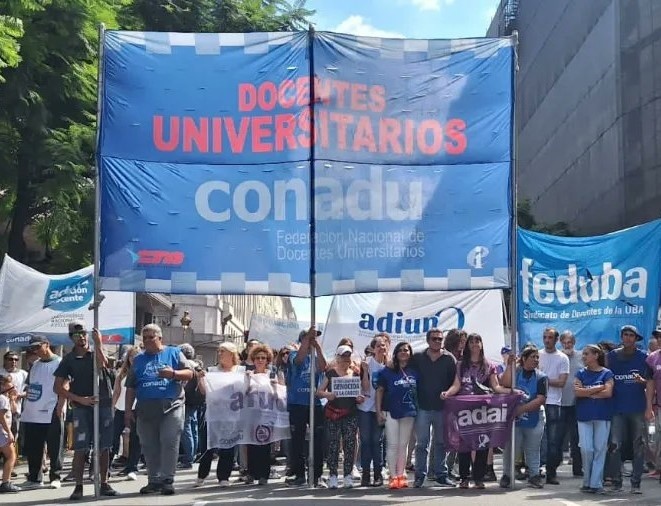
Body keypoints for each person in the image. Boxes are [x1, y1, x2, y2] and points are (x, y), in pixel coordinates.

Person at [125, 324, 193, 496]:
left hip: (172, 406)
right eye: (144, 337)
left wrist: (173, 374)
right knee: (149, 445)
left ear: (160, 338)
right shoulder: (138, 360)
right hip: (145, 409)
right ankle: (154, 480)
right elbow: (131, 387)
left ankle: (167, 480)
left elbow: (190, 373)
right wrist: (127, 411)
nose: (147, 340)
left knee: (169, 440)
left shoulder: (173, 352)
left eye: (151, 337)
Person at [54, 321, 117, 500]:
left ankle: (104, 482)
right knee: (81, 448)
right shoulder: (69, 359)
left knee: (104, 446)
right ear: (71, 338)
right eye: (76, 335)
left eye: (83, 334)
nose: (80, 337)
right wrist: (79, 399)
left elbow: (104, 364)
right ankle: (78, 486)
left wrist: (99, 343)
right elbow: (58, 386)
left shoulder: (95, 351)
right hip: (82, 407)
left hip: (103, 403)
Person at [445, 333, 511, 489]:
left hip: (483, 410)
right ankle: (463, 477)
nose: (475, 344)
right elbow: (456, 385)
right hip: (464, 409)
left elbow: (496, 387)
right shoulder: (461, 365)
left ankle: (479, 477)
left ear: (482, 344)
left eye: (478, 341)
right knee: (464, 444)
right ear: (467, 345)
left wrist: (512, 391)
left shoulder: (489, 366)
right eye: (472, 341)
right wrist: (447, 393)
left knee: (482, 443)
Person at [605, 324, 651, 494]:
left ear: (636, 338)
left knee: (639, 445)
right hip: (617, 408)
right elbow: (605, 378)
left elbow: (651, 383)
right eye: (625, 334)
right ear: (621, 337)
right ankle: (616, 482)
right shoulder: (611, 357)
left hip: (637, 408)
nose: (628, 338)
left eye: (632, 335)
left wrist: (643, 382)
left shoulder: (644, 357)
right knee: (615, 445)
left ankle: (636, 483)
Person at [411, 328, 457, 488]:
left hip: (442, 408)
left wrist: (449, 393)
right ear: (428, 340)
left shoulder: (449, 359)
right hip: (423, 407)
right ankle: (419, 475)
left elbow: (455, 382)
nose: (438, 341)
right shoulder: (417, 357)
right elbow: (405, 371)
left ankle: (441, 474)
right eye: (434, 339)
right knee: (422, 444)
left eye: (440, 339)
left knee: (441, 443)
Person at [195, 342, 244, 488]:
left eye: (223, 351)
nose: (220, 354)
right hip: (213, 415)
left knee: (228, 447)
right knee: (207, 446)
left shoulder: (241, 371)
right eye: (219, 351)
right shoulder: (211, 370)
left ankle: (224, 476)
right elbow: (204, 391)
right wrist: (200, 378)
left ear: (232, 354)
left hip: (232, 415)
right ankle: (202, 474)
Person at [18, 335, 64, 490]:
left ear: (47, 344)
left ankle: (55, 476)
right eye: (33, 348)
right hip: (33, 412)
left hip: (51, 410)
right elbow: (31, 386)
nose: (36, 350)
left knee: (54, 446)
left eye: (38, 346)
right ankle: (35, 478)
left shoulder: (59, 362)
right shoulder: (35, 364)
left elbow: (65, 386)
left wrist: (60, 406)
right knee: (34, 446)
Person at [500, 345, 548, 489]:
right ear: (524, 359)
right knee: (511, 447)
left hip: (535, 417)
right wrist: (509, 366)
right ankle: (507, 475)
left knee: (533, 448)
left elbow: (540, 399)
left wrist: (520, 409)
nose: (536, 360)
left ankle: (534, 475)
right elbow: (504, 384)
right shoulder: (516, 372)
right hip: (515, 420)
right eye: (532, 357)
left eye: (537, 357)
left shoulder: (541, 377)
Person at [317, 344, 365, 489]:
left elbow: (361, 392)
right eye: (343, 356)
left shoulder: (355, 374)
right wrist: (328, 395)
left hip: (350, 413)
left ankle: (348, 474)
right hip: (333, 413)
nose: (346, 359)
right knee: (333, 444)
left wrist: (359, 398)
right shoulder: (331, 373)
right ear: (337, 357)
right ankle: (332, 475)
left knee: (350, 444)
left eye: (348, 356)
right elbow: (319, 391)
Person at [285, 327, 327, 487]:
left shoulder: (317, 357)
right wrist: (306, 340)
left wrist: (318, 347)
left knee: (318, 439)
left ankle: (316, 475)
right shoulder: (294, 354)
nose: (312, 341)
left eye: (314, 338)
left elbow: (323, 367)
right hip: (298, 404)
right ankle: (299, 475)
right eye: (310, 338)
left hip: (315, 403)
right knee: (298, 440)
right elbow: (299, 361)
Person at [376, 341, 418, 489]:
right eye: (400, 350)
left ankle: (401, 475)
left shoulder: (415, 370)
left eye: (406, 350)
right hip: (389, 411)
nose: (403, 352)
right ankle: (393, 476)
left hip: (408, 412)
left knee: (403, 445)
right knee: (392, 444)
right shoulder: (387, 371)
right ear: (395, 353)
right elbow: (379, 391)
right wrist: (378, 411)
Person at [574, 344, 614, 494]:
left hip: (602, 416)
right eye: (583, 354)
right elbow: (578, 392)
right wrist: (598, 388)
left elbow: (608, 393)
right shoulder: (580, 373)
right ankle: (587, 480)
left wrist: (587, 391)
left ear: (596, 355)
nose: (583, 357)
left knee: (599, 450)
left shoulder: (607, 373)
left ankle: (595, 484)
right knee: (586, 449)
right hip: (584, 416)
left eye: (586, 354)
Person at [245, 344, 281, 485]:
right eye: (258, 358)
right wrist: (247, 381)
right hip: (252, 415)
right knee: (251, 445)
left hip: (267, 415)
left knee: (265, 445)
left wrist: (274, 386)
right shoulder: (249, 375)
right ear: (253, 360)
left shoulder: (272, 375)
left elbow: (278, 396)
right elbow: (244, 394)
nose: (260, 360)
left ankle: (263, 475)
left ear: (267, 360)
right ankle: (251, 473)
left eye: (263, 358)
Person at [538, 327, 570, 485]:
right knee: (536, 438)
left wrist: (543, 380)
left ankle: (551, 472)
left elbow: (562, 382)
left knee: (553, 440)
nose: (546, 340)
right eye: (544, 337)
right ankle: (535, 470)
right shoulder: (537, 354)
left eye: (550, 337)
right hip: (538, 401)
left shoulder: (562, 358)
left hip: (553, 403)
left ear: (556, 339)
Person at [358, 334, 389, 487]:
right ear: (373, 349)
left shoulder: (389, 366)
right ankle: (365, 474)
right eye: (379, 346)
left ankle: (378, 473)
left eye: (384, 345)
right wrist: (365, 372)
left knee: (378, 441)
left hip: (380, 409)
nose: (382, 348)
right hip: (365, 408)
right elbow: (364, 387)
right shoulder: (367, 363)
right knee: (365, 441)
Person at [112, 347, 141, 480]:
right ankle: (106, 465)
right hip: (120, 408)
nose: (133, 359)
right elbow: (117, 392)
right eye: (131, 357)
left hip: (136, 409)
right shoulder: (121, 373)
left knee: (134, 439)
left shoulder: (141, 372)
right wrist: (112, 408)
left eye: (136, 357)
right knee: (113, 437)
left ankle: (132, 467)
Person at [559, 330, 583, 477]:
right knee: (557, 437)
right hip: (559, 403)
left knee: (577, 438)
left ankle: (578, 468)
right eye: (564, 342)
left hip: (577, 403)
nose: (567, 345)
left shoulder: (581, 356)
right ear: (560, 343)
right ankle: (552, 468)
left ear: (574, 343)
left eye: (570, 342)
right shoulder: (557, 357)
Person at [179, 343, 202, 470]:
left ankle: (188, 458)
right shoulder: (197, 366)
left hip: (186, 400)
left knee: (185, 428)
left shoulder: (186, 366)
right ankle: (193, 455)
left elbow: (182, 384)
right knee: (194, 427)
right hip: (196, 400)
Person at [0, 351, 28, 446]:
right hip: (1, 409)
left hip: (15, 409)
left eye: (16, 359)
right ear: (5, 360)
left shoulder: (23, 374)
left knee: (13, 435)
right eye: (11, 359)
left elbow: (30, 391)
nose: (14, 361)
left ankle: (11, 457)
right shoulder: (0, 372)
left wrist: (19, 395)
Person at [0, 375, 20, 493]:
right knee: (12, 456)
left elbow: (14, 411)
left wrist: (12, 398)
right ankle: (5, 482)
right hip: (2, 431)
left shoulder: (5, 398)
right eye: (9, 383)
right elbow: (1, 416)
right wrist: (9, 432)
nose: (12, 385)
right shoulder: (2, 398)